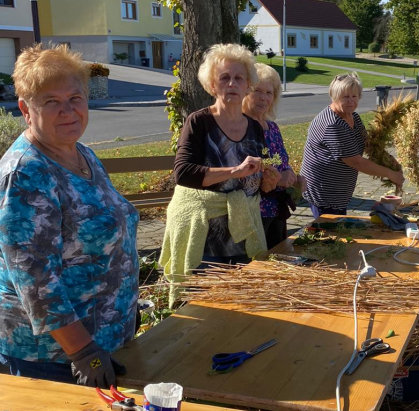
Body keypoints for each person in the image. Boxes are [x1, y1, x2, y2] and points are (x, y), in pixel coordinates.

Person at [0, 44, 139, 387]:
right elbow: (35, 279)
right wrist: (82, 351)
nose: (68, 111)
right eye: (52, 102)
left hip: (104, 337)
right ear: (26, 110)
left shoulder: (84, 154)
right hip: (52, 358)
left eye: (75, 98)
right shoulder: (26, 173)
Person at [160, 44, 279, 296]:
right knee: (202, 302)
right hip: (204, 231)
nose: (232, 84)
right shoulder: (199, 121)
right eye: (224, 78)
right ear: (213, 85)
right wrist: (234, 171)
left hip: (242, 230)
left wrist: (265, 181)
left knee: (241, 300)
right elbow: (183, 173)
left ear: (248, 84)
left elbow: (250, 182)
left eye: (239, 78)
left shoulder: (255, 128)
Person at [300, 72, 404, 218]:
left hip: (339, 192)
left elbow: (368, 144)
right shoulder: (333, 124)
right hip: (324, 192)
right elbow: (356, 162)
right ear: (334, 97)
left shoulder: (353, 116)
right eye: (345, 97)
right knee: (329, 233)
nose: (350, 101)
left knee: (338, 228)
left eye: (354, 96)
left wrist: (389, 161)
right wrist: (390, 174)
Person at [243, 63, 303, 249]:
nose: (263, 98)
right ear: (246, 92)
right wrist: (278, 179)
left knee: (278, 258)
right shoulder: (241, 126)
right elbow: (243, 171)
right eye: (257, 91)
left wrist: (294, 178)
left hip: (276, 210)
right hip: (252, 212)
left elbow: (281, 160)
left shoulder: (273, 127)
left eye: (269, 93)